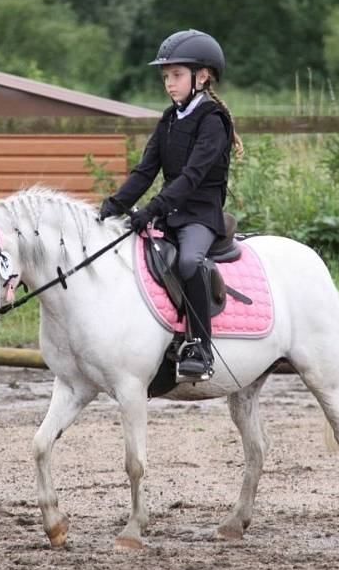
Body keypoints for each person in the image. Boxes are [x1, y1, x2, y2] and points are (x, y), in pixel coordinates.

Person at [99, 29, 243, 379]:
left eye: (176, 75)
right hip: (171, 216)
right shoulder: (168, 119)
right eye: (165, 76)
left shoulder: (213, 121)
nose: (169, 83)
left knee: (191, 262)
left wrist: (151, 210)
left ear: (202, 76)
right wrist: (110, 207)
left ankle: (200, 347)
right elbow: (145, 171)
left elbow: (192, 177)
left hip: (200, 217)